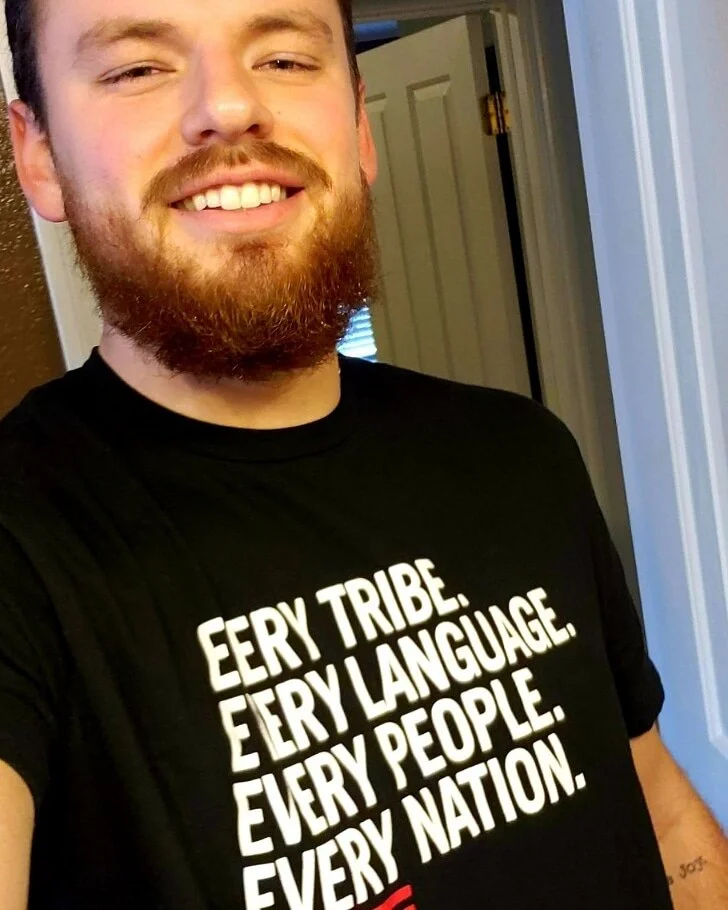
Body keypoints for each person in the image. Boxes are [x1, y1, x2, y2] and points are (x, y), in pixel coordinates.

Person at [1, 0, 727, 906]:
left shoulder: (521, 453)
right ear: (37, 154)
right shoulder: (22, 542)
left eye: (286, 58)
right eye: (137, 68)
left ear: (358, 124)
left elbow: (658, 809)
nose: (228, 106)